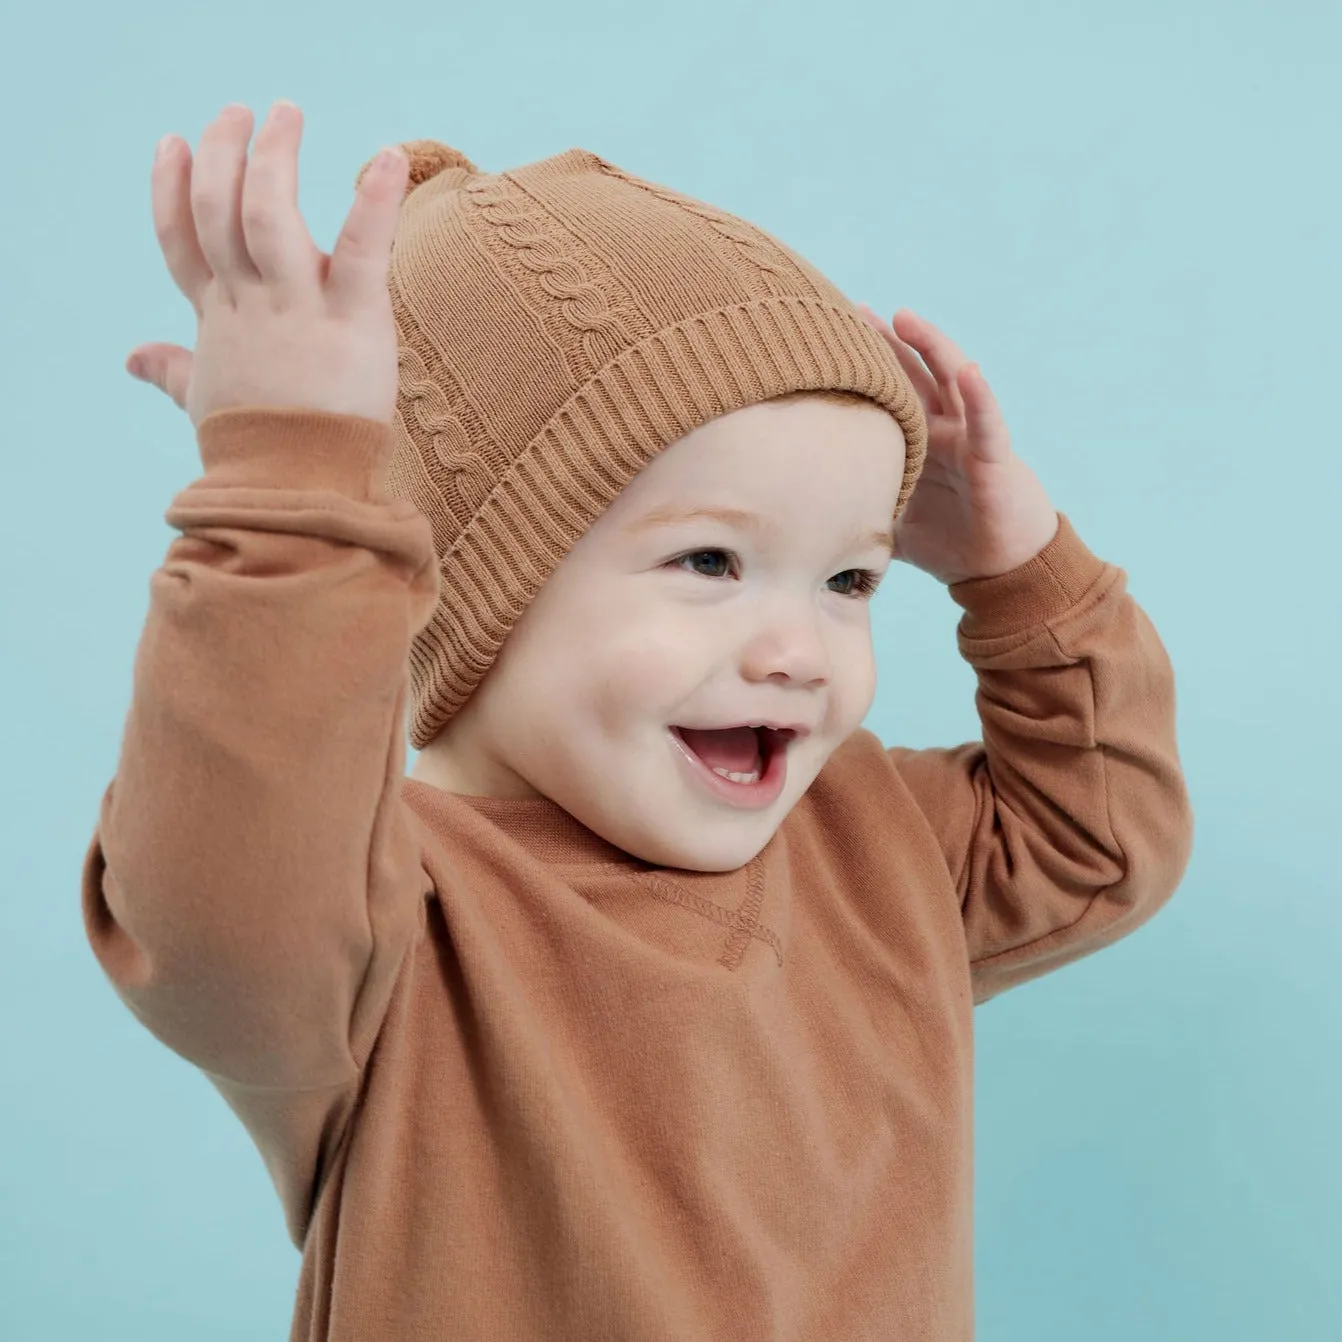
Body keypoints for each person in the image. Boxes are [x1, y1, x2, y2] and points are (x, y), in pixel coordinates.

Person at [83, 99, 1195, 1340]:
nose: (794, 654)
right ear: (471, 579)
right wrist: (287, 488)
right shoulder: (382, 924)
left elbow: (1099, 840)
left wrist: (1020, 569)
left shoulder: (874, 848)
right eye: (711, 561)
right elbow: (215, 904)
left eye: (849, 582)